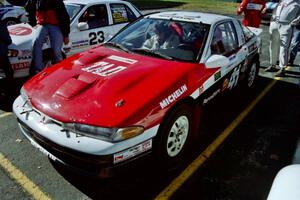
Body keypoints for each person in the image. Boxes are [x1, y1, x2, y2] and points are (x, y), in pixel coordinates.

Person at [25, 0, 70, 73]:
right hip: (42, 25)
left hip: (55, 25)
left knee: (56, 48)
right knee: (36, 43)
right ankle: (39, 70)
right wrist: (32, 22)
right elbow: (29, 9)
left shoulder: (58, 2)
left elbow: (64, 16)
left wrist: (66, 34)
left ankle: (60, 68)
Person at [266, 0, 300, 76]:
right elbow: (275, 9)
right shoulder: (282, 0)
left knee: (284, 48)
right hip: (275, 24)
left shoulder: (298, 3)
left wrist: (294, 22)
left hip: (286, 25)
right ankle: (273, 65)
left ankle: (282, 68)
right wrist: (272, 20)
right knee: (273, 45)